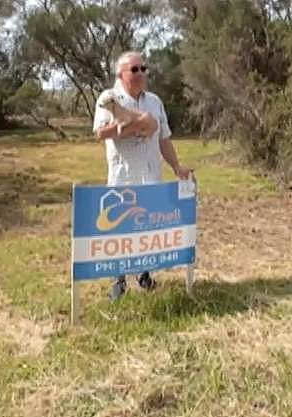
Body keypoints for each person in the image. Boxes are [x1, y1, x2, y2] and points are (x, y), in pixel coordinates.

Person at [92, 51, 192, 301]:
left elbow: (164, 139)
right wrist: (137, 126)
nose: (140, 74)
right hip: (122, 179)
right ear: (121, 75)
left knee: (146, 229)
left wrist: (176, 167)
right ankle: (118, 280)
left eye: (143, 68)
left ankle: (144, 275)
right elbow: (100, 133)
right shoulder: (109, 98)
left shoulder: (155, 102)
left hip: (150, 177)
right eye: (134, 70)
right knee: (119, 231)